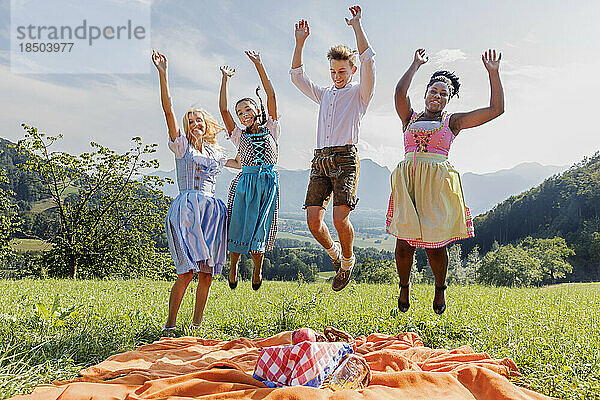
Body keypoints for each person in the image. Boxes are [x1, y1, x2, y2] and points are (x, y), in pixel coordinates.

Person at [388, 48, 504, 314]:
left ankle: (440, 288)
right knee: (403, 244)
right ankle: (404, 285)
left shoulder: (452, 122)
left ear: (448, 100)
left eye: (443, 94)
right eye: (433, 91)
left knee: (434, 245)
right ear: (426, 93)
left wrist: (493, 74)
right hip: (409, 184)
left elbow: (496, 109)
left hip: (437, 187)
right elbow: (398, 94)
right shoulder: (410, 117)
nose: (437, 96)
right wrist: (415, 64)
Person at [152, 50, 240, 335]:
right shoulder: (181, 147)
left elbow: (243, 162)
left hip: (212, 213)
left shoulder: (216, 152)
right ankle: (170, 325)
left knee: (206, 274)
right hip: (188, 209)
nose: (194, 124)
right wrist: (163, 74)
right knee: (186, 271)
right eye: (190, 121)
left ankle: (196, 326)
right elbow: (167, 110)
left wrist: (262, 139)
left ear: (206, 124)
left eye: (198, 120)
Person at [290, 6, 375, 291]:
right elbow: (297, 78)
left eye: (342, 71)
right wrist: (300, 42)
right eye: (333, 71)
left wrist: (356, 27)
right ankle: (335, 254)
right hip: (320, 161)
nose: (337, 76)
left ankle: (348, 261)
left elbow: (368, 62)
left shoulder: (359, 93)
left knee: (340, 218)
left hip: (345, 159)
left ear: (351, 70)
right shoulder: (324, 94)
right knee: (313, 222)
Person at [219, 50, 280, 291]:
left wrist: (259, 64)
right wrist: (225, 79)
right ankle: (233, 266)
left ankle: (257, 267)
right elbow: (223, 110)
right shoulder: (238, 136)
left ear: (257, 110)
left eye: (247, 110)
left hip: (268, 184)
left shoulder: (271, 129)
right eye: (240, 113)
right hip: (245, 183)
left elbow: (271, 94)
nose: (244, 115)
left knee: (260, 228)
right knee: (238, 225)